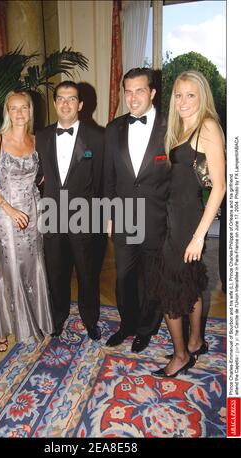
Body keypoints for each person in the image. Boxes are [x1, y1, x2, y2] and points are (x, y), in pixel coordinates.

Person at [152, 70, 226, 378]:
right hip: (175, 215)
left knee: (170, 286)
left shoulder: (207, 127)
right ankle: (195, 342)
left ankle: (181, 356)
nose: (183, 101)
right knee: (190, 282)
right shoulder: (181, 128)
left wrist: (198, 237)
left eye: (190, 95)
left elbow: (219, 187)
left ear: (202, 97)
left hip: (187, 223)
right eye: (179, 95)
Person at [0, 91, 54, 352]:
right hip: (7, 213)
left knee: (34, 266)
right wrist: (7, 207)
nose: (20, 113)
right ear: (7, 112)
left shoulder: (36, 140)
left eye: (24, 108)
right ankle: (4, 328)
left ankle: (37, 320)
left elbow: (42, 177)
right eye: (14, 108)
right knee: (11, 269)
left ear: (30, 111)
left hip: (33, 212)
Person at [104, 67, 170, 353]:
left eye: (139, 90)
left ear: (153, 92)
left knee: (153, 279)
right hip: (123, 217)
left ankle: (146, 328)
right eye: (127, 91)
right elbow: (108, 177)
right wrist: (107, 215)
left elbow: (178, 179)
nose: (132, 98)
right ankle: (127, 324)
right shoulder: (114, 128)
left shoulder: (170, 126)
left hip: (158, 220)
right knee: (124, 277)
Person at [35, 81, 104, 340]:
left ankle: (90, 319)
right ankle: (57, 318)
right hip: (51, 214)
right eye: (61, 99)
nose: (65, 104)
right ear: (54, 103)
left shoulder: (97, 137)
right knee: (55, 272)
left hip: (84, 215)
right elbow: (34, 175)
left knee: (87, 272)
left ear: (81, 104)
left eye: (71, 99)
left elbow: (101, 182)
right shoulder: (40, 137)